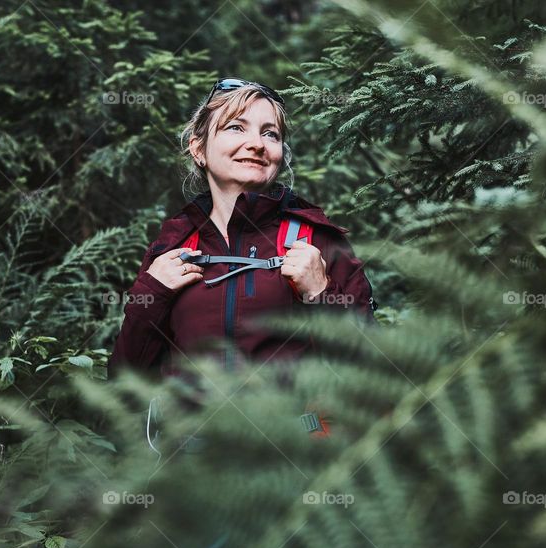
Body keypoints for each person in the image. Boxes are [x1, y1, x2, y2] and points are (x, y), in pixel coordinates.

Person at [107, 78, 376, 393]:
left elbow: (374, 371)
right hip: (189, 440)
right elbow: (122, 385)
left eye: (270, 133)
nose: (257, 144)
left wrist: (322, 293)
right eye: (236, 127)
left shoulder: (316, 240)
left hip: (291, 437)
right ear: (199, 149)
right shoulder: (174, 246)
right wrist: (151, 295)